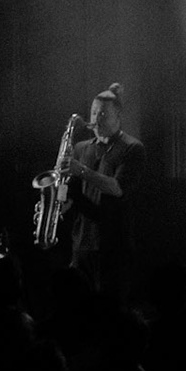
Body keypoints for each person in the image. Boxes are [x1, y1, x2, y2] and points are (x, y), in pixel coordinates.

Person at [64, 83, 145, 301]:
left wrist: (81, 170)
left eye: (102, 113)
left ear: (118, 115)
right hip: (82, 244)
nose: (95, 118)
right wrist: (60, 203)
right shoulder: (81, 148)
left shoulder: (132, 148)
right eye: (93, 112)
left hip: (113, 247)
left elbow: (116, 188)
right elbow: (74, 191)